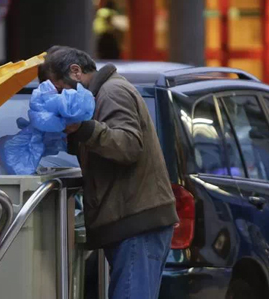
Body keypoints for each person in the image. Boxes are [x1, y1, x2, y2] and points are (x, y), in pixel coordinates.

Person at [38, 46, 179, 299]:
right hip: (129, 221)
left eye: (60, 90)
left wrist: (84, 129)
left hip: (136, 222)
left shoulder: (112, 92)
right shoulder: (98, 96)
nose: (60, 98)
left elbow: (128, 145)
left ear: (76, 71)